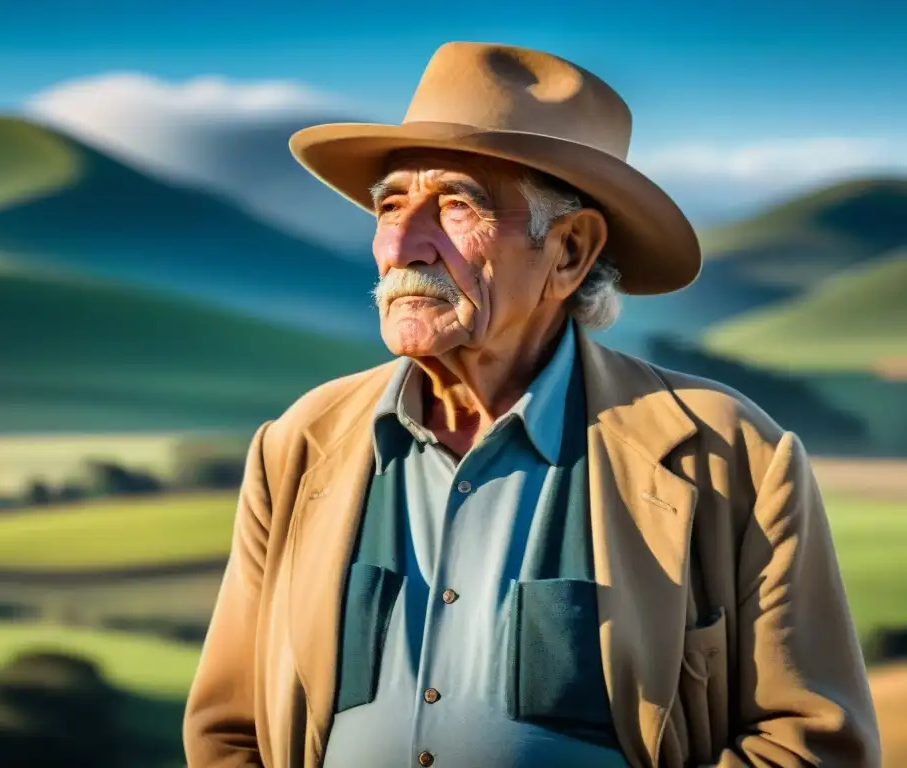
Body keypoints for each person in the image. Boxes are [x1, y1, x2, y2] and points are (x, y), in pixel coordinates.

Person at [183, 42, 880, 768]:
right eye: (391, 204)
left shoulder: (729, 456)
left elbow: (811, 743)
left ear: (571, 252)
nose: (400, 243)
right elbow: (230, 734)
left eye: (457, 205)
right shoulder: (300, 444)